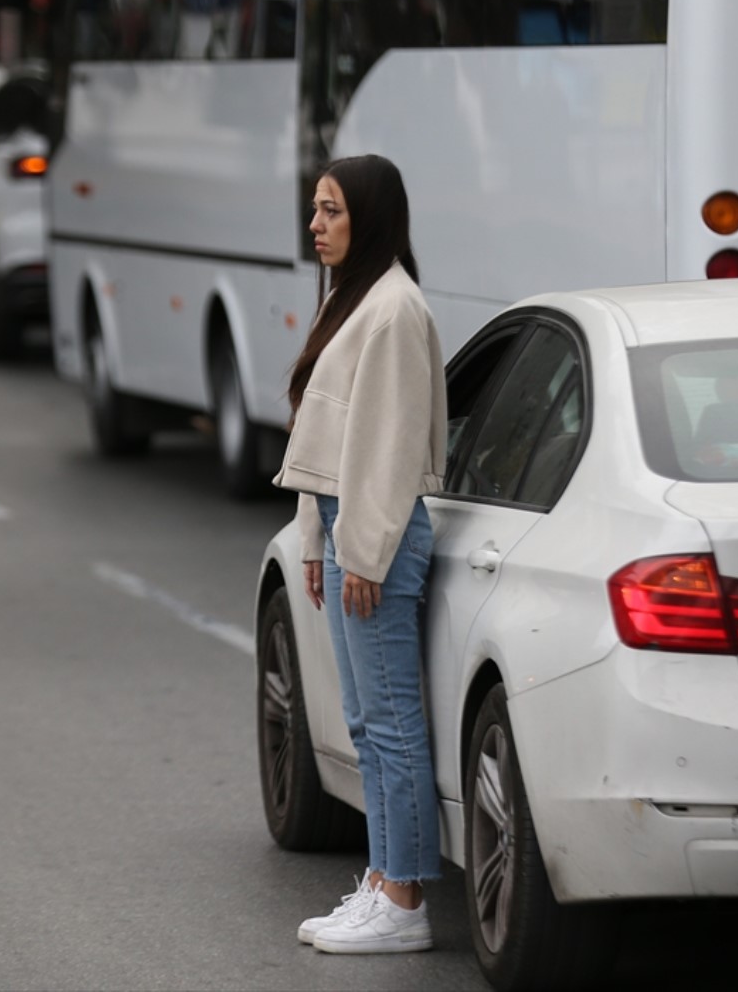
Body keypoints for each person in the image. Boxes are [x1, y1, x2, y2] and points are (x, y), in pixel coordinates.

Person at [273, 153, 447, 955]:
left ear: (370, 216)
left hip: (377, 526)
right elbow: (326, 436)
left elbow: (389, 444)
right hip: (348, 521)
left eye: (332, 210)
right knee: (365, 721)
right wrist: (316, 535)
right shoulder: (354, 300)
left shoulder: (395, 309)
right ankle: (382, 878)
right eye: (315, 209)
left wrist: (365, 552)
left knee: (391, 720)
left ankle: (405, 898)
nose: (317, 225)